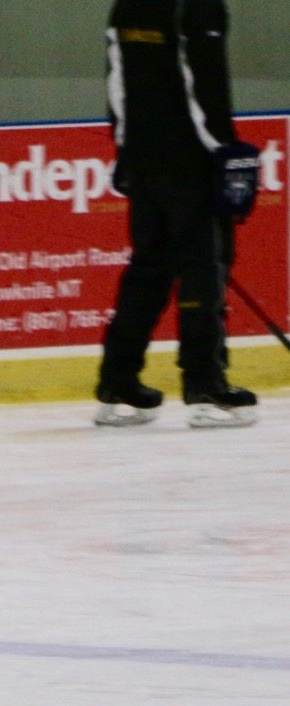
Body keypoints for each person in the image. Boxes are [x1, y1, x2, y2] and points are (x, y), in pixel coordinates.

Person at [95, 0, 260, 428]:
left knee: (148, 268)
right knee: (203, 267)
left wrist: (126, 147)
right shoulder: (198, 6)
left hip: (145, 160)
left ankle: (118, 384)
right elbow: (204, 84)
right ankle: (206, 386)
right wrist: (224, 150)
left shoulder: (127, 7)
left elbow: (118, 83)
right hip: (191, 161)